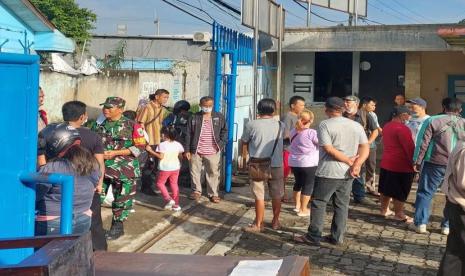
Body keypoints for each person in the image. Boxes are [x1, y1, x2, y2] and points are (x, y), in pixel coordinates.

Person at [294, 97, 369, 246]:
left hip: (328, 171)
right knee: (341, 205)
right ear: (342, 110)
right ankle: (337, 236)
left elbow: (328, 148)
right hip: (348, 173)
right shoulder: (356, 125)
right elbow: (365, 146)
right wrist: (357, 164)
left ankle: (313, 235)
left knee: (319, 203)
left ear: (327, 109)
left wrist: (349, 161)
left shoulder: (325, 125)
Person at [91, 96, 145, 240]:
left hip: (124, 170)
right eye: (104, 107)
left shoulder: (133, 126)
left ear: (120, 109)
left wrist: (116, 152)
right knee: (95, 199)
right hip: (102, 170)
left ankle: (117, 227)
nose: (105, 110)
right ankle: (94, 228)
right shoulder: (98, 124)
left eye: (110, 107)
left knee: (122, 200)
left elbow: (140, 148)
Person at [410, 97, 465, 234]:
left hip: (434, 162)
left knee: (425, 192)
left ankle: (420, 224)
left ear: (444, 107)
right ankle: (447, 226)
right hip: (457, 164)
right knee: (452, 195)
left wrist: (416, 161)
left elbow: (422, 143)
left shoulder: (432, 120)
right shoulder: (464, 123)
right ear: (460, 110)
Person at [36, 123, 100, 235]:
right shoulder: (92, 163)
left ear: (55, 144)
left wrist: (40, 158)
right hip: (83, 218)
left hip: (53, 222)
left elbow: (36, 194)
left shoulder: (52, 167)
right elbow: (95, 183)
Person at [61, 101, 107, 250]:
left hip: (60, 186)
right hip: (88, 186)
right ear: (82, 117)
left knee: (62, 221)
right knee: (94, 223)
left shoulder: (53, 132)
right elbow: (99, 163)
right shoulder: (93, 136)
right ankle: (99, 257)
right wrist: (99, 184)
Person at [241, 98, 284, 231]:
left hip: (257, 164)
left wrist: (244, 158)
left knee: (259, 194)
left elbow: (244, 141)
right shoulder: (281, 125)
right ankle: (275, 222)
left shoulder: (251, 124)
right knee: (277, 194)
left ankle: (259, 224)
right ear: (273, 110)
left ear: (258, 109)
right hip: (276, 164)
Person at [185, 96, 227, 203]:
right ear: (200, 105)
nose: (207, 108)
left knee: (213, 172)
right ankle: (196, 191)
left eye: (210, 106)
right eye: (205, 106)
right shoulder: (194, 117)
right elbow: (188, 134)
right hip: (196, 150)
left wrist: (221, 144)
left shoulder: (219, 117)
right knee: (194, 172)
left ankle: (213, 194)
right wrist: (187, 150)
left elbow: (225, 131)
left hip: (213, 151)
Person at [378, 106, 415, 223]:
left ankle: (384, 210)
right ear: (403, 115)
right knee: (400, 191)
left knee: (385, 188)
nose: (409, 117)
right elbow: (409, 148)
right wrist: (414, 163)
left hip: (386, 162)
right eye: (409, 115)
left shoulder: (387, 126)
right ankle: (399, 214)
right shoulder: (402, 129)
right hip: (401, 165)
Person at [343, 95, 378, 205]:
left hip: (359, 148)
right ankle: (342, 195)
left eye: (349, 102)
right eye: (345, 102)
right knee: (343, 171)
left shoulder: (365, 115)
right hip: (344, 148)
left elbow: (375, 131)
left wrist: (367, 143)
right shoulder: (341, 115)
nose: (346, 104)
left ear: (356, 104)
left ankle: (359, 196)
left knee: (359, 170)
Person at [438, 139, 465, 276]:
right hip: (460, 206)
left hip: (458, 204)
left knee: (456, 251)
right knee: (456, 253)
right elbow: (463, 183)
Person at [136, 89, 170, 195]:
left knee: (153, 164)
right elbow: (141, 124)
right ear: (156, 97)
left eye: (167, 98)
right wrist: (144, 142)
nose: (166, 100)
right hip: (148, 141)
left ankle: (149, 185)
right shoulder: (147, 107)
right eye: (164, 97)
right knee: (147, 164)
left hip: (157, 140)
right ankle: (146, 187)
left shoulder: (162, 109)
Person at [146, 126, 184, 211]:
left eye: (161, 134)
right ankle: (176, 205)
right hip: (176, 167)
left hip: (165, 168)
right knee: (174, 184)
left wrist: (150, 150)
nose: (160, 135)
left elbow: (160, 156)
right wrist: (180, 164)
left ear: (164, 135)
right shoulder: (178, 144)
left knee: (160, 183)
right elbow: (180, 156)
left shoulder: (162, 145)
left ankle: (168, 199)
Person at [289, 109, 318, 217]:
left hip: (294, 162)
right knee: (308, 185)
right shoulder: (311, 132)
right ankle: (303, 209)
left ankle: (297, 206)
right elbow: (321, 143)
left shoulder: (293, 131)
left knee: (298, 183)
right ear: (310, 120)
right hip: (308, 162)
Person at [163, 100, 192, 188]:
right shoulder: (173, 116)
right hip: (177, 142)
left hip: (182, 142)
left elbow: (165, 124)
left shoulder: (188, 116)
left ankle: (179, 180)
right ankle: (171, 180)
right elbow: (165, 124)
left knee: (183, 163)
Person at [282, 96, 306, 203]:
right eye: (300, 105)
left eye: (303, 105)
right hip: (287, 148)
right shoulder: (288, 117)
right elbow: (285, 134)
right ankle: (281, 194)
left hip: (294, 149)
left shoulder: (296, 117)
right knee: (284, 173)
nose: (303, 107)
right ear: (293, 106)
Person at [360, 96, 381, 196]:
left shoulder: (372, 115)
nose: (374, 107)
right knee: (359, 166)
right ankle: (359, 188)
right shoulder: (358, 114)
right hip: (359, 145)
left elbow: (376, 129)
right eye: (372, 105)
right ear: (364, 104)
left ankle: (370, 186)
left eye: (375, 105)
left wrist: (368, 143)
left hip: (370, 145)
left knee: (371, 166)